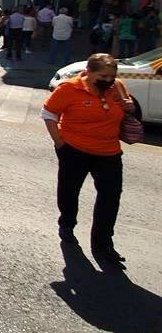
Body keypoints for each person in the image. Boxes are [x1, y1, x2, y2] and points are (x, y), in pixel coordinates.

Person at [40, 54, 135, 265]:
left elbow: (127, 113)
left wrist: (130, 108)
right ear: (89, 72)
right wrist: (59, 143)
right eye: (103, 75)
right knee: (69, 190)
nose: (109, 80)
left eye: (112, 76)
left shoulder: (117, 87)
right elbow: (48, 114)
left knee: (110, 197)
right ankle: (67, 223)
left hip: (109, 152)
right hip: (74, 150)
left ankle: (103, 244)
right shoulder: (69, 89)